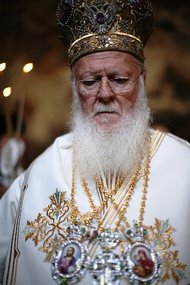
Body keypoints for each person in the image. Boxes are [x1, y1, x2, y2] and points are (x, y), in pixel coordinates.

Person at [0, 0, 190, 285]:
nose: (104, 93)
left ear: (143, 81)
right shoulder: (34, 181)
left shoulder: (184, 166)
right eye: (89, 82)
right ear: (75, 88)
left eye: (119, 79)